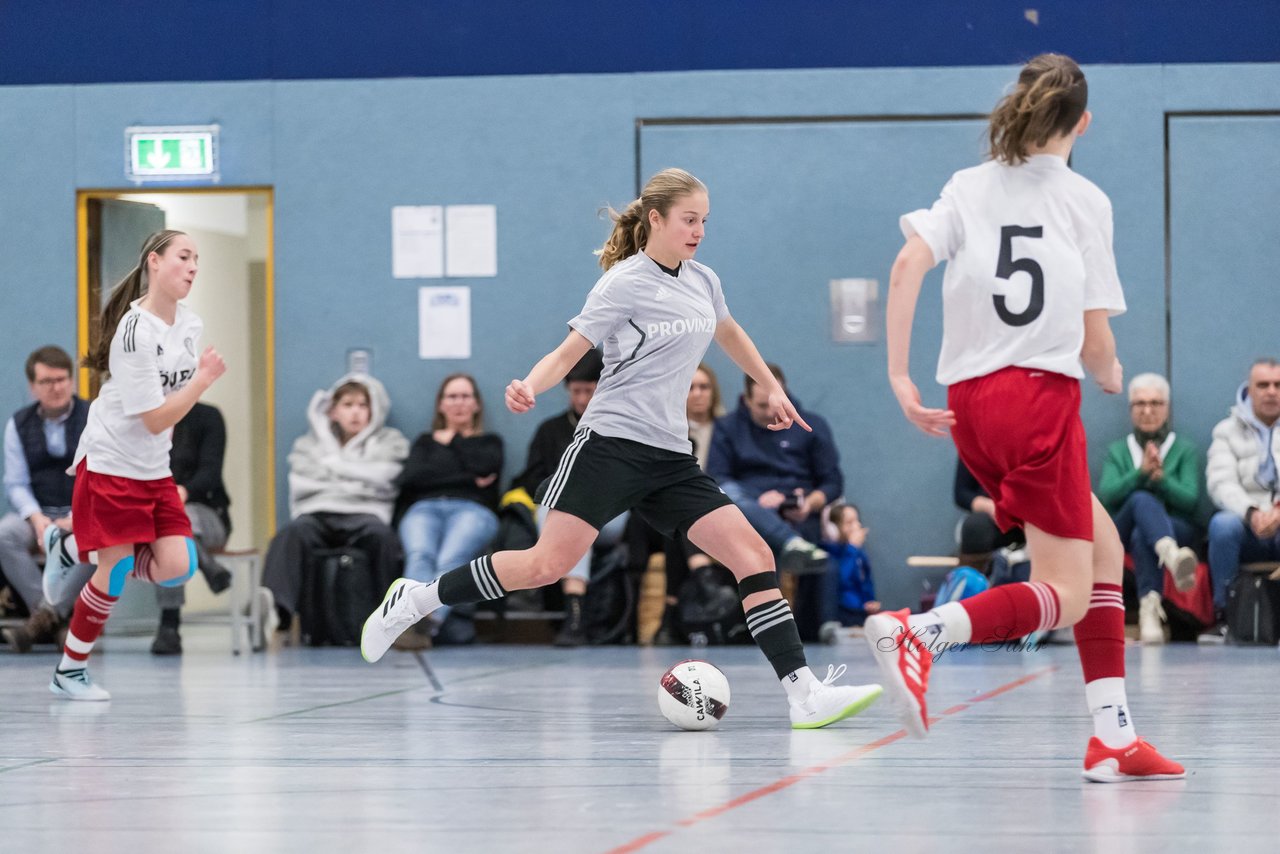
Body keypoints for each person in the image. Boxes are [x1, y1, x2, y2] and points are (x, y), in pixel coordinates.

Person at [363, 167, 881, 728]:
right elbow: (567, 354)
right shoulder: (622, 283)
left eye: (704, 221)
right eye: (689, 220)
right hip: (608, 446)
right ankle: (415, 601)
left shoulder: (704, 280)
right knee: (545, 566)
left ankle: (805, 697)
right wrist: (529, 387)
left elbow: (729, 332)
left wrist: (771, 385)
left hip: (670, 458)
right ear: (655, 219)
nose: (699, 231)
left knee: (755, 556)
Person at [869, 54, 1183, 780]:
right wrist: (1108, 370)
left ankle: (1113, 736)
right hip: (1038, 397)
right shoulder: (1084, 200)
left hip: (971, 408)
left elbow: (905, 267)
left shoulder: (967, 185)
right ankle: (923, 633)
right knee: (1068, 592)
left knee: (1103, 552)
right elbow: (1097, 338)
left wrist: (896, 374)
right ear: (1083, 123)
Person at [42, 230, 226, 700]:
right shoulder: (133, 332)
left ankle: (70, 545)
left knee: (178, 565)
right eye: (183, 257)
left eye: (196, 259)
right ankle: (70, 670)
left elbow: (166, 411)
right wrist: (202, 381)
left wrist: (194, 382)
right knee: (116, 569)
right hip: (112, 462)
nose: (192, 267)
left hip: (153, 468)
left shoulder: (188, 324)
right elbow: (153, 418)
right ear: (154, 262)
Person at [261, 373, 407, 635]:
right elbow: (302, 483)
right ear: (333, 411)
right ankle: (277, 611)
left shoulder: (391, 441)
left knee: (384, 539)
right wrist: (358, 478)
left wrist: (332, 469)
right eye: (348, 405)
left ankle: (391, 617)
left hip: (367, 515)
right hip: (317, 513)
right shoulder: (308, 444)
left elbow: (385, 478)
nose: (356, 413)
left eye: (363, 405)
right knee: (290, 535)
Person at [708, 363, 843, 639]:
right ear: (746, 401)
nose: (771, 412)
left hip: (800, 515)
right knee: (736, 502)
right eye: (761, 405)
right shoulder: (727, 428)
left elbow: (832, 482)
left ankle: (817, 627)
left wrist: (809, 503)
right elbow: (717, 478)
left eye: (775, 401)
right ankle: (772, 631)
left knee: (816, 557)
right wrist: (759, 500)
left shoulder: (812, 425)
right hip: (747, 514)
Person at [509, 348, 629, 647]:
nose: (583, 399)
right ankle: (575, 612)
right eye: (577, 391)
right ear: (567, 389)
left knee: (575, 515)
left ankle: (572, 613)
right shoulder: (550, 430)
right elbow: (533, 479)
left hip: (611, 516)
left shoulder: (620, 428)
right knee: (567, 512)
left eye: (589, 390)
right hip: (563, 513)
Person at [393, 373, 502, 648]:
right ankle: (413, 623)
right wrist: (467, 479)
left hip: (473, 511)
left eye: (466, 396)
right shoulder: (424, 442)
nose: (459, 403)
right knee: (420, 555)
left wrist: (452, 441)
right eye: (452, 397)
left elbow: (485, 466)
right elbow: (411, 479)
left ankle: (423, 626)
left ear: (477, 404)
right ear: (441, 404)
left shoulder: (490, 442)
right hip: (424, 509)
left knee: (451, 557)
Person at [0, 346, 94, 652]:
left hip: (81, 512)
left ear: (72, 381)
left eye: (61, 379)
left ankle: (43, 619)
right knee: (4, 535)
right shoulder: (18, 424)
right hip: (38, 513)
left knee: (99, 539)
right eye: (46, 382)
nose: (55, 388)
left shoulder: (94, 417)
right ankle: (53, 617)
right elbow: (15, 482)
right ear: (32, 387)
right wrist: (35, 517)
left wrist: (78, 515)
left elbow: (103, 476)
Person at [1097, 373, 1200, 645]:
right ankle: (1171, 557)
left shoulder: (1183, 449)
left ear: (1166, 409)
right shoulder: (1118, 451)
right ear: (1131, 410)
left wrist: (1162, 480)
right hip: (1122, 526)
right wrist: (1140, 474)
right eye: (1140, 404)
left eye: (1155, 403)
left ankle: (1149, 612)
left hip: (1175, 526)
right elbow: (1107, 496)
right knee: (1141, 500)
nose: (1147, 410)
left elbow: (1190, 500)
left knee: (1143, 536)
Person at [1200, 357, 1280, 642]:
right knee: (1221, 526)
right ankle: (1225, 618)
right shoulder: (1226, 430)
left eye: (1277, 385)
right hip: (1245, 524)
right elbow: (1220, 483)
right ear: (1250, 389)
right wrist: (1252, 512)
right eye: (1263, 385)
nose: (1271, 391)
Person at [149, 401, 235, 655]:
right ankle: (209, 567)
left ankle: (169, 622)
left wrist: (182, 492)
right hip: (154, 514)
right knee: (169, 524)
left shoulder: (208, 417)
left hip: (206, 511)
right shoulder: (144, 417)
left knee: (171, 524)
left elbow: (211, 473)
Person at [651, 362, 725, 645]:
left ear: (713, 392)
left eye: (704, 387)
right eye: (691, 387)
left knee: (682, 518)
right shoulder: (670, 429)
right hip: (676, 507)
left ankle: (669, 614)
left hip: (716, 504)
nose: (697, 394)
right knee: (679, 518)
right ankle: (706, 581)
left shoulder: (725, 430)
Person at [823, 502, 880, 628]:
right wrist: (852, 548)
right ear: (833, 529)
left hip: (861, 611)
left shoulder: (859, 552)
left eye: (857, 521)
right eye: (849, 523)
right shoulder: (829, 551)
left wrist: (869, 602)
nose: (857, 526)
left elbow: (865, 580)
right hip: (843, 614)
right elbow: (840, 579)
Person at [954, 458, 1023, 560]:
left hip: (1030, 519)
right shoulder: (972, 445)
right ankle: (973, 572)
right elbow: (961, 494)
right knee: (975, 526)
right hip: (992, 518)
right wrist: (991, 507)